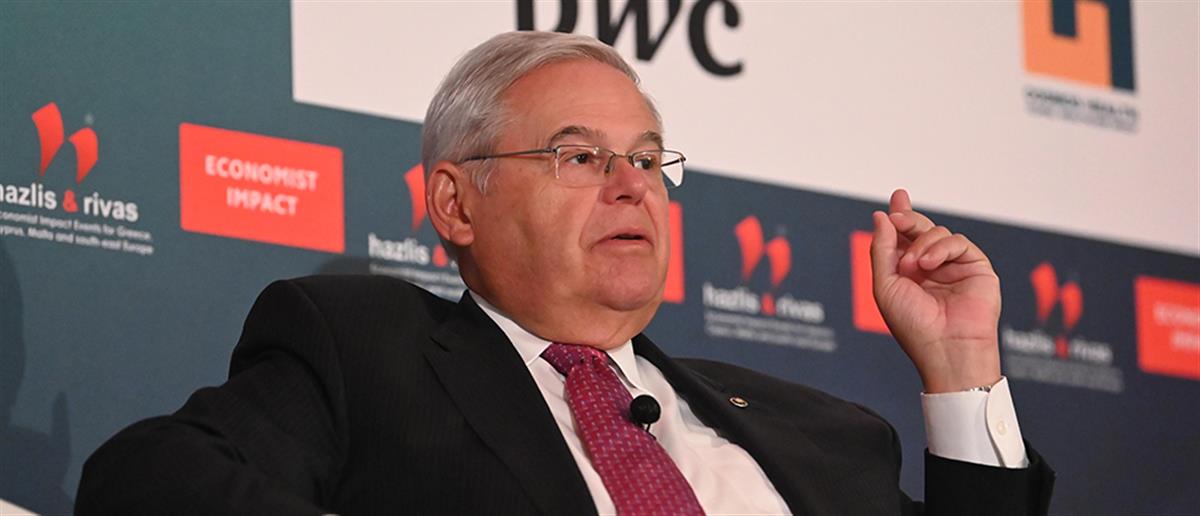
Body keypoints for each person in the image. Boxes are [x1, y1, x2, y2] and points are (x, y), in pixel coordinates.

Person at [77, 31, 1053, 515]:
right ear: (456, 203)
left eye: (649, 158)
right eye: (579, 156)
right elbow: (147, 484)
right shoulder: (363, 351)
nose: (632, 186)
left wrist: (961, 366)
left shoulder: (825, 432)